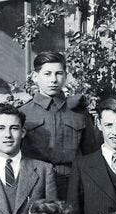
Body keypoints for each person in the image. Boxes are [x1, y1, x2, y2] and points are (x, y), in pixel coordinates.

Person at [19, 51, 99, 199]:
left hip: (72, 183)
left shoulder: (79, 113)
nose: (53, 80)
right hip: (35, 184)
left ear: (66, 76)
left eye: (58, 73)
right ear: (35, 77)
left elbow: (92, 154)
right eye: (47, 74)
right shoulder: (23, 113)